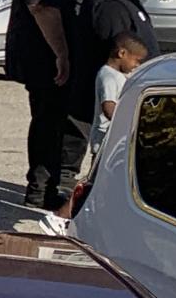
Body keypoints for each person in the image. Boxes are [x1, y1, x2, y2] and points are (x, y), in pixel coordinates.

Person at [4, 0, 85, 208]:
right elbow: (42, 9)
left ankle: (48, 186)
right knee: (48, 124)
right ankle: (40, 189)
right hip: (44, 62)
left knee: (53, 122)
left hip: (49, 60)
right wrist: (62, 54)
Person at [37, 30, 150, 237]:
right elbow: (108, 106)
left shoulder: (116, 75)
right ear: (122, 53)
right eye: (136, 61)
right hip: (108, 139)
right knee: (93, 184)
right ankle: (59, 218)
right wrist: (131, 120)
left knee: (105, 184)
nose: (137, 66)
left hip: (113, 139)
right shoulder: (109, 76)